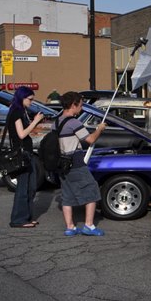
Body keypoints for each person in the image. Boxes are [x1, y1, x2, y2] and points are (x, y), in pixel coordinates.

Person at [56, 91, 107, 237]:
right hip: (75, 162)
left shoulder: (57, 121)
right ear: (73, 104)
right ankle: (89, 225)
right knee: (92, 190)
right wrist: (99, 129)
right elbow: (90, 139)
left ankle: (70, 227)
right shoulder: (73, 122)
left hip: (61, 162)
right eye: (81, 104)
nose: (82, 107)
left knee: (67, 195)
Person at [6, 87, 45, 228]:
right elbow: (21, 134)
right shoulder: (16, 112)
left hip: (27, 152)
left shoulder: (21, 112)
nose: (31, 102)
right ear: (21, 98)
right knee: (23, 188)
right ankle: (18, 219)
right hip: (21, 154)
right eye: (30, 99)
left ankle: (26, 217)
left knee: (31, 187)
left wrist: (35, 124)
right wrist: (35, 122)